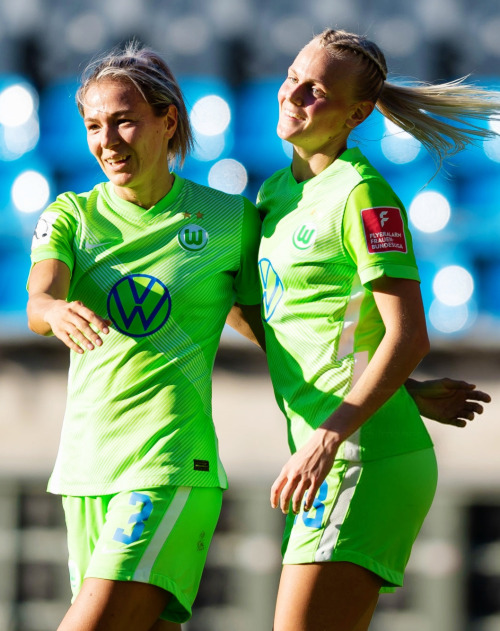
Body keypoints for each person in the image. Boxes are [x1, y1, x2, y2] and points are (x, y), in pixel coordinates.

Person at [237, 28, 497, 631]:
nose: (294, 94)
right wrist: (404, 391)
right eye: (292, 77)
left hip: (358, 456)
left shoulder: (363, 193)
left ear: (356, 113)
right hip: (336, 447)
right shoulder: (274, 193)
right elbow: (295, 329)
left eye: (316, 90)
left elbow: (409, 335)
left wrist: (328, 437)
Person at [26, 42, 264, 631]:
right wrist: (53, 311)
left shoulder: (231, 221)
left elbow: (277, 333)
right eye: (93, 126)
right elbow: (39, 298)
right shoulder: (71, 215)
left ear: (168, 119)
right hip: (85, 469)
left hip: (170, 463)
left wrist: (388, 387)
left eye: (125, 120)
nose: (108, 141)